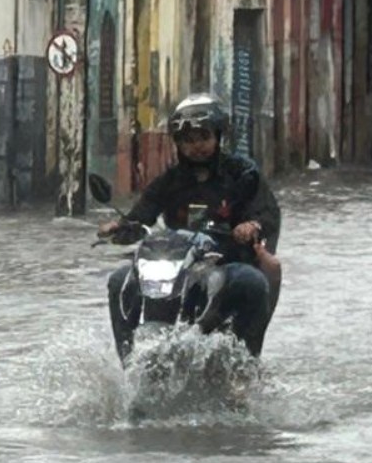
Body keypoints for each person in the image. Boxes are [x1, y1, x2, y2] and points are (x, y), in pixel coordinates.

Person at [97, 92, 282, 358]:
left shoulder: (242, 173)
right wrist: (119, 227)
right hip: (177, 265)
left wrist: (251, 225)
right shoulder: (170, 180)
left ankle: (245, 368)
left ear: (218, 136)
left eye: (204, 137)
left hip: (226, 261)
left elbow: (267, 212)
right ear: (178, 144)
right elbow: (142, 214)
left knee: (253, 282)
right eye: (188, 140)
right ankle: (128, 361)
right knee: (118, 281)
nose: (197, 146)